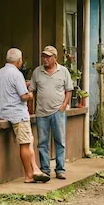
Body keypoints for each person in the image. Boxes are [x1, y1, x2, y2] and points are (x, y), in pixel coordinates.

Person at [0, 48, 50, 183]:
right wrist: (31, 94)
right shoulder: (16, 74)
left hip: (4, 112)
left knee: (29, 140)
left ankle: (35, 169)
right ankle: (28, 175)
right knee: (25, 144)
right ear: (19, 61)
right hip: (18, 114)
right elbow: (24, 96)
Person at [30, 45, 74, 179]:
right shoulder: (37, 72)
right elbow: (32, 90)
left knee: (60, 141)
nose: (45, 59)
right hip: (41, 113)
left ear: (55, 58)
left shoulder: (64, 71)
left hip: (58, 112)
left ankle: (60, 169)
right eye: (44, 56)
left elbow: (69, 90)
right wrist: (31, 110)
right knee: (42, 142)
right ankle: (45, 169)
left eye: (48, 57)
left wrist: (64, 105)